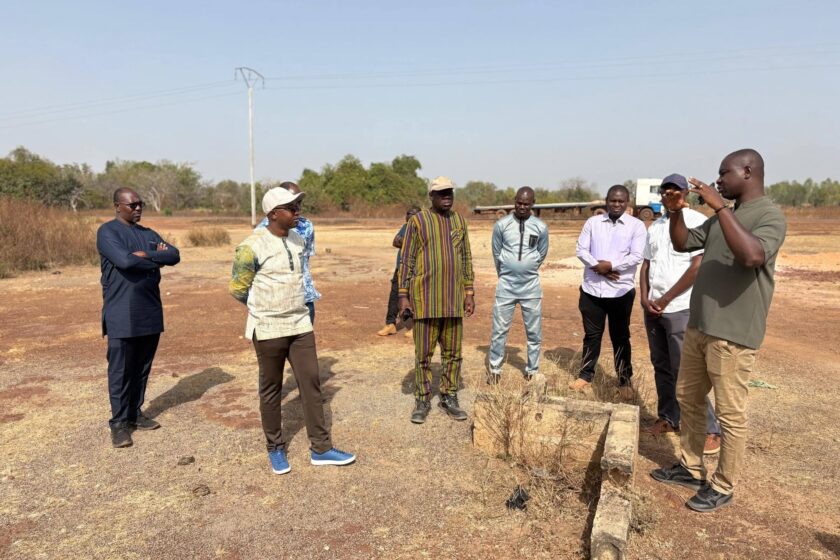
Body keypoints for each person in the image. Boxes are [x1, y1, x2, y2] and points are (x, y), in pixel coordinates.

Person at [650, 149, 786, 512]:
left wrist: (720, 208)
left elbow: (752, 256)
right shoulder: (728, 216)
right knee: (689, 398)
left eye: (724, 173)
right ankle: (691, 468)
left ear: (748, 172)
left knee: (729, 414)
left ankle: (723, 485)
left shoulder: (769, 215)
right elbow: (682, 243)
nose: (718, 180)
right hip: (700, 325)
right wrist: (675, 210)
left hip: (732, 333)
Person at [230, 186, 355, 474]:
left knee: (311, 383)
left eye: (298, 206)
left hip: (300, 323)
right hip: (268, 327)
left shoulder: (298, 238)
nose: (298, 212)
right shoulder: (251, 246)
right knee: (271, 389)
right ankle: (275, 447)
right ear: (273, 214)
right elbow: (237, 288)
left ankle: (321, 449)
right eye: (291, 208)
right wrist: (264, 308)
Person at [640, 174, 721, 455]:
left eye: (675, 190)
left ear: (686, 193)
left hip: (680, 308)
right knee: (661, 366)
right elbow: (646, 266)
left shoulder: (697, 221)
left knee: (686, 371)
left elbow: (696, 267)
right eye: (665, 191)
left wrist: (666, 299)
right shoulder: (655, 226)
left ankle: (710, 429)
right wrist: (645, 298)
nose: (669, 195)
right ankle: (669, 418)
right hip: (653, 308)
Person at [97, 187, 180, 448]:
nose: (137, 208)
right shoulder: (108, 232)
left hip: (149, 310)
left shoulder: (148, 234)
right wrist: (156, 260)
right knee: (121, 370)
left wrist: (148, 255)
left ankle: (135, 413)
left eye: (140, 204)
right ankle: (119, 423)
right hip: (122, 312)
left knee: (142, 368)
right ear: (117, 206)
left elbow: (174, 255)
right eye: (131, 205)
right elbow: (125, 261)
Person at [398, 176, 475, 424]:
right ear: (431, 196)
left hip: (453, 300)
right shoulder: (418, 221)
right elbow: (407, 259)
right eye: (441, 193)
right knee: (423, 355)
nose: (447, 196)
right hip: (425, 300)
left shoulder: (459, 221)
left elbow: (466, 258)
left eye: (449, 192)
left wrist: (469, 292)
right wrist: (403, 296)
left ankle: (449, 396)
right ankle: (422, 399)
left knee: (453, 354)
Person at [570, 185, 647, 400]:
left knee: (620, 336)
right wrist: (599, 267)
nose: (616, 204)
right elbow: (581, 250)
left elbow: (636, 256)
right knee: (592, 336)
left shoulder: (636, 226)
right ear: (606, 201)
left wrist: (611, 265)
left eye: (621, 201)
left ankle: (624, 380)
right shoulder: (593, 223)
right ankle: (585, 375)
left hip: (620, 291)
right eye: (613, 200)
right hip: (592, 290)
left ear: (627, 202)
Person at [487, 187, 549, 382]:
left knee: (534, 332)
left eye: (526, 204)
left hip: (531, 287)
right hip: (506, 285)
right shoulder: (502, 225)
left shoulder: (540, 227)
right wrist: (507, 271)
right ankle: (495, 370)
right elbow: (496, 253)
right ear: (514, 201)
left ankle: (532, 370)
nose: (522, 207)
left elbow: (541, 253)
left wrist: (527, 268)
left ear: (533, 204)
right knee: (499, 330)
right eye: (519, 203)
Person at [255, 181, 320, 324]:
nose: (298, 209)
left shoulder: (306, 226)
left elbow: (304, 261)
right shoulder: (261, 232)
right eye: (292, 205)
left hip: (304, 298)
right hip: (276, 303)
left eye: (299, 203)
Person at [377, 205, 421, 337]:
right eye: (408, 213)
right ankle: (390, 324)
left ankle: (416, 327)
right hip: (400, 267)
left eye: (413, 214)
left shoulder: (423, 229)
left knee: (414, 297)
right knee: (394, 295)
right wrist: (410, 241)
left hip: (415, 269)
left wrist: (405, 241)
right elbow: (395, 242)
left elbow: (420, 245)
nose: (410, 216)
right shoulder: (405, 227)